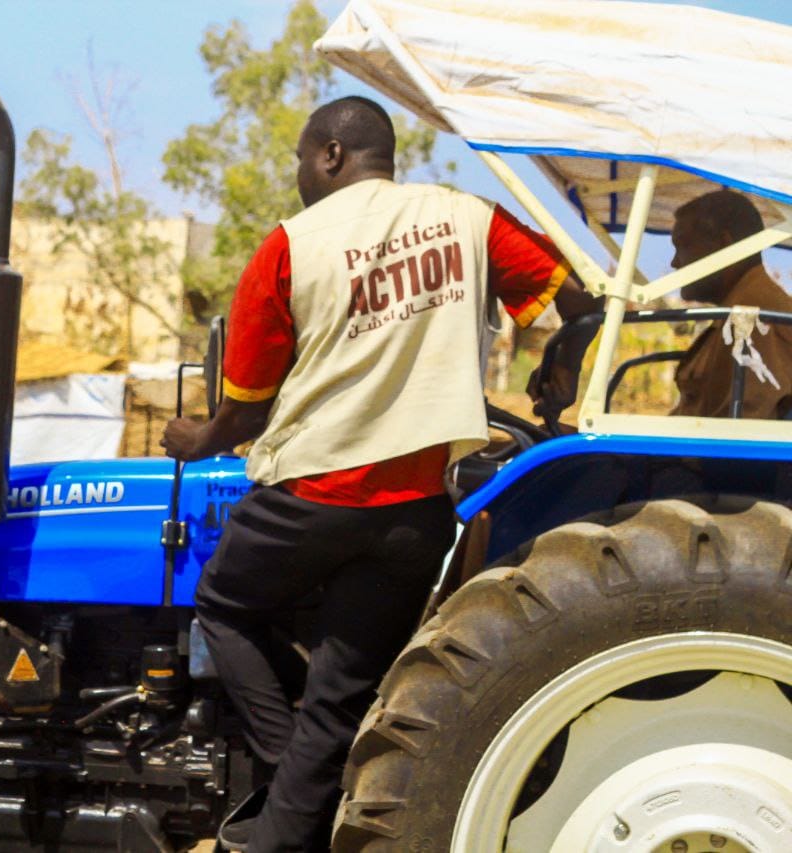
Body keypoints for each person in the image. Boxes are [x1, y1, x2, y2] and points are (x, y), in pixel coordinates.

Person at [160, 95, 598, 852]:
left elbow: (244, 415)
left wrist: (191, 435)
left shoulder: (292, 245)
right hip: (416, 513)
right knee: (341, 693)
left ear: (330, 154)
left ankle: (283, 768)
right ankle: (290, 815)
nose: (300, 174)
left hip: (312, 497)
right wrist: (557, 372)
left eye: (302, 157)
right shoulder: (468, 218)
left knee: (223, 605)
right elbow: (576, 300)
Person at [669, 189, 792, 419]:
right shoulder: (738, 313)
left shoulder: (754, 320)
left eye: (683, 246)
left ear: (725, 247)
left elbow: (744, 437)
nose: (674, 263)